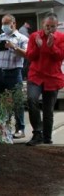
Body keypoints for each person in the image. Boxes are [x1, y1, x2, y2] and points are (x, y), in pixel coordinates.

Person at [0, 14, 29, 139]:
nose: (4, 26)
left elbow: (27, 55)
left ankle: (20, 129)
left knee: (17, 101)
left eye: (6, 23)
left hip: (14, 72)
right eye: (2, 24)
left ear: (13, 23)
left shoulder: (22, 38)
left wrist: (13, 47)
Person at [25, 13, 64, 146]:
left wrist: (51, 46)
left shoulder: (61, 37)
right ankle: (37, 133)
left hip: (52, 78)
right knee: (32, 99)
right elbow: (29, 56)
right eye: (47, 26)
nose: (50, 29)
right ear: (43, 25)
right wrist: (38, 46)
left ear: (57, 26)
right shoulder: (34, 36)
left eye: (52, 26)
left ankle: (46, 137)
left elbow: (59, 57)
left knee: (48, 110)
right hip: (36, 76)